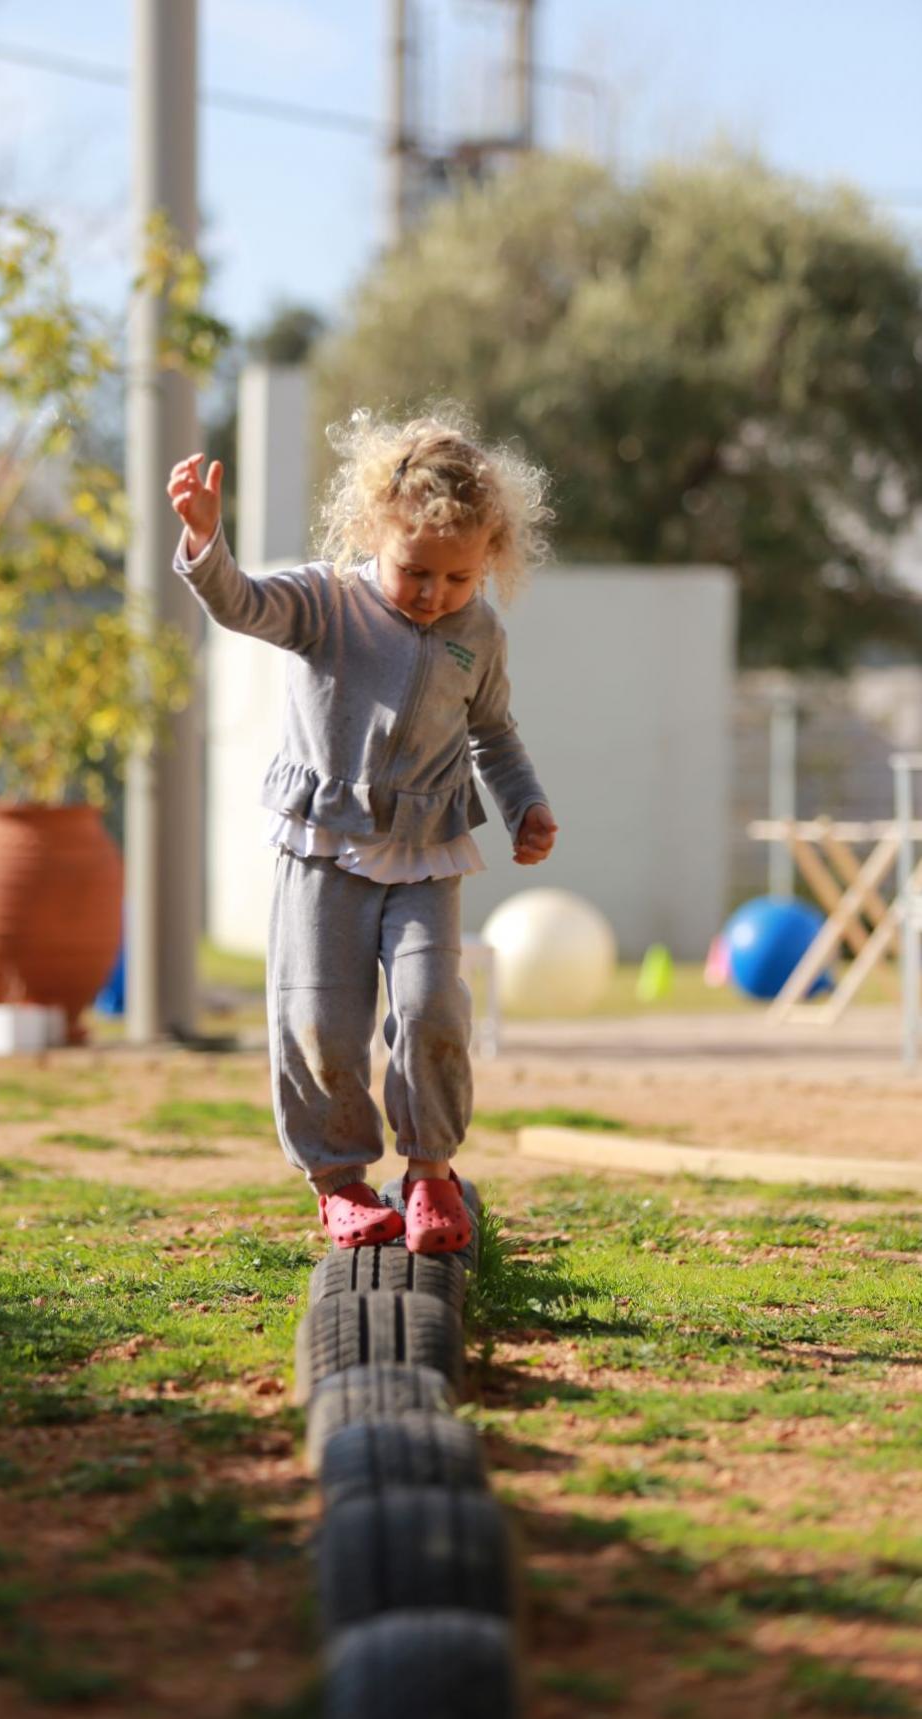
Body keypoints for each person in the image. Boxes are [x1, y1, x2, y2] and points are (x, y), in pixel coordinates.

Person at [166, 406, 557, 1255]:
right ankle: (340, 1183)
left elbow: (493, 733)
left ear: (487, 562)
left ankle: (429, 1173)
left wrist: (525, 805)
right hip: (325, 850)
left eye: (458, 579)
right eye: (415, 571)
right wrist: (206, 544)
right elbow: (242, 605)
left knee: (431, 1009)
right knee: (320, 1019)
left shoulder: (478, 636)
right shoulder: (326, 603)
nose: (433, 595)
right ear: (373, 529)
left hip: (425, 853)